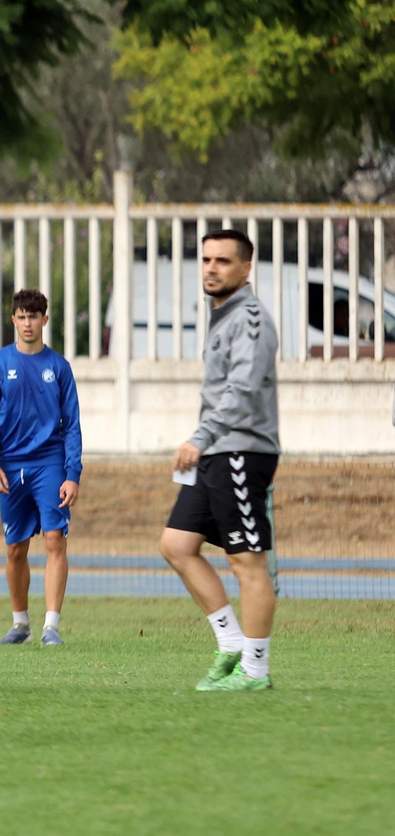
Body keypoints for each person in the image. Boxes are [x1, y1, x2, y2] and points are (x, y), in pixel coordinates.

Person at [160, 229, 281, 691]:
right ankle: (230, 643)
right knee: (176, 545)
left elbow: (243, 389)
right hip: (214, 451)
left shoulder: (250, 318)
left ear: (246, 268)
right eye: (207, 259)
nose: (212, 268)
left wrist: (201, 435)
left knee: (246, 562)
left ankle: (255, 671)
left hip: (240, 451)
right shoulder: (220, 315)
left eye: (223, 261)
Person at [0, 289, 83, 646]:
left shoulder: (59, 367)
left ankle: (51, 626)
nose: (28, 323)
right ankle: (20, 623)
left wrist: (72, 473)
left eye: (34, 316)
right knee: (15, 548)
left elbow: (71, 424)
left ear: (45, 320)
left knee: (55, 539)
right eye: (22, 317)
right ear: (13, 320)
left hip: (49, 463)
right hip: (10, 465)